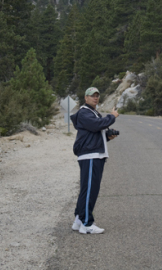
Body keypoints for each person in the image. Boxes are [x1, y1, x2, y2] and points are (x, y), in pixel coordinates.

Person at [70, 86, 119, 234]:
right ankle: (87, 224)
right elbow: (97, 125)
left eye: (97, 95)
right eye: (92, 96)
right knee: (90, 190)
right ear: (85, 98)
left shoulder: (92, 113)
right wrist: (112, 116)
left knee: (87, 190)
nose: (95, 98)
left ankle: (79, 220)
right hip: (90, 156)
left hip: (93, 154)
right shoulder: (85, 112)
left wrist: (108, 137)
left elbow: (94, 135)